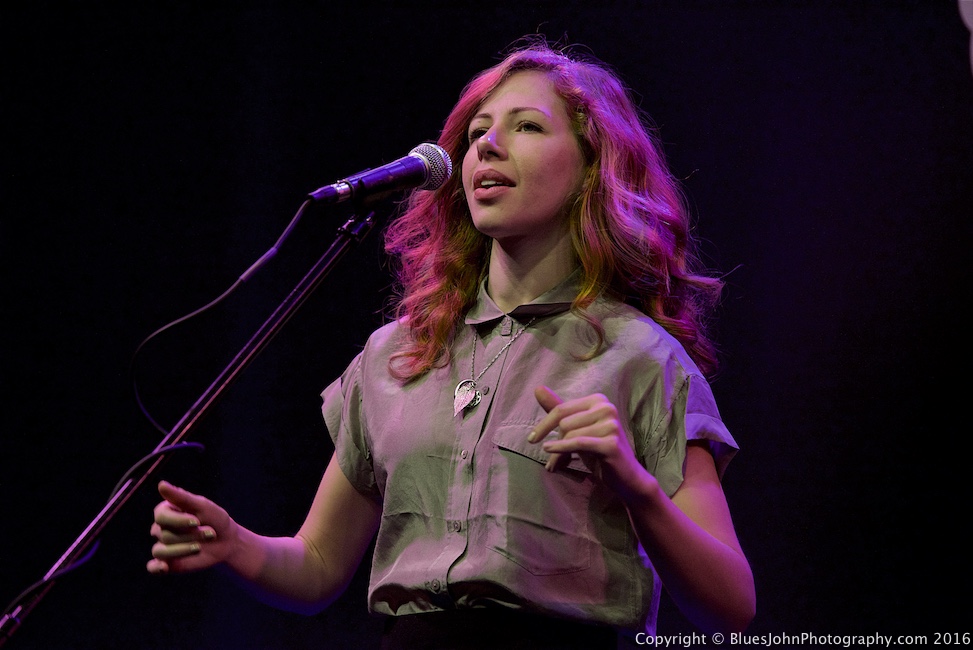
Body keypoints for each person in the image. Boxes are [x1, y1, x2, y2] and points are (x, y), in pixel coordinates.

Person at [147, 39, 756, 648]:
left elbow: (730, 606)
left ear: (592, 166)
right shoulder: (397, 355)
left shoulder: (640, 357)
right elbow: (319, 565)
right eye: (477, 131)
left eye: (527, 126)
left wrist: (636, 487)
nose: (487, 144)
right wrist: (236, 545)